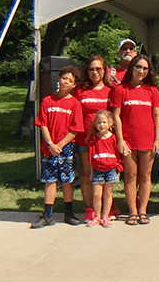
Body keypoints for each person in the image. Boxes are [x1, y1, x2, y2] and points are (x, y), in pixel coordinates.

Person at [111, 55, 159, 225]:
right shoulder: (121, 89)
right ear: (132, 68)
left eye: (145, 68)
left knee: (146, 176)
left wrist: (157, 139)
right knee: (131, 176)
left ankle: (143, 211)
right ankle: (132, 212)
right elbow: (116, 116)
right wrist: (120, 139)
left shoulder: (152, 91)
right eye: (138, 67)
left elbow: (157, 115)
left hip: (148, 139)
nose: (141, 71)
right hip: (128, 139)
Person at [31, 66, 84, 228]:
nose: (66, 82)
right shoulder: (48, 100)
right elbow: (43, 124)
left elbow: (76, 129)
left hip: (66, 147)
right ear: (58, 79)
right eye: (64, 78)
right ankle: (47, 214)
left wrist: (60, 144)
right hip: (49, 147)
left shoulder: (75, 103)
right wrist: (50, 144)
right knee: (50, 180)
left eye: (70, 80)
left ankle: (68, 212)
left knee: (67, 181)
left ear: (74, 85)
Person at [74, 55, 116, 223]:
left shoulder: (111, 90)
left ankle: (106, 208)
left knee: (106, 174)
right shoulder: (80, 90)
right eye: (91, 69)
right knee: (87, 174)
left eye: (98, 68)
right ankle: (90, 208)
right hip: (85, 139)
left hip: (105, 141)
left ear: (104, 70)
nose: (95, 72)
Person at [86, 110, 123, 228]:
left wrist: (119, 167)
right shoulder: (93, 139)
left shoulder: (113, 138)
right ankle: (97, 216)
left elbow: (118, 154)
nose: (102, 125)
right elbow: (90, 156)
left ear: (110, 123)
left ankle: (105, 216)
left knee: (108, 193)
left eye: (104, 122)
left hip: (111, 169)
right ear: (95, 125)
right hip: (97, 169)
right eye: (99, 122)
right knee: (97, 194)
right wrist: (91, 171)